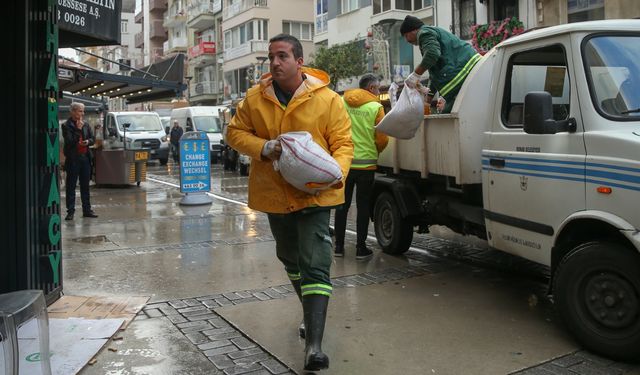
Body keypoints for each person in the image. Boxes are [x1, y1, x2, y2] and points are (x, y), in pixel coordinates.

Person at [226, 34, 353, 371]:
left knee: (315, 261)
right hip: (275, 194)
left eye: (282, 56)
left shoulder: (327, 100)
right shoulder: (255, 99)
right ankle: (309, 315)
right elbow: (234, 133)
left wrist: (335, 173)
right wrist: (264, 148)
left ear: (300, 62)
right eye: (271, 57)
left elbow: (343, 143)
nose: (275, 63)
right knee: (290, 258)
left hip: (316, 194)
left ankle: (314, 346)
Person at [334, 74, 389, 260]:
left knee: (342, 205)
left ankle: (339, 247)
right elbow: (382, 138)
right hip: (366, 166)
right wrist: (376, 151)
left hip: (345, 162)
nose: (379, 91)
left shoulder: (342, 101)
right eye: (378, 88)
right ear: (372, 88)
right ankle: (360, 248)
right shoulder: (376, 107)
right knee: (363, 207)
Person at [400, 15, 482, 113]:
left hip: (461, 72)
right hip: (467, 66)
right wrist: (427, 101)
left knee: (449, 114)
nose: (407, 40)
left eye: (406, 36)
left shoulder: (424, 33)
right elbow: (434, 73)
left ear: (413, 30)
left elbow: (432, 54)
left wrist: (415, 75)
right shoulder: (431, 32)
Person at [62, 102, 98, 220]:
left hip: (85, 158)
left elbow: (92, 139)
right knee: (71, 186)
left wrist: (87, 142)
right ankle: (70, 211)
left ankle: (87, 210)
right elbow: (69, 141)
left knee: (85, 186)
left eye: (83, 111)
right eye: (80, 111)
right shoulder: (66, 125)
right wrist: (78, 130)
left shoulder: (86, 125)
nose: (82, 113)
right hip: (73, 159)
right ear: (73, 112)